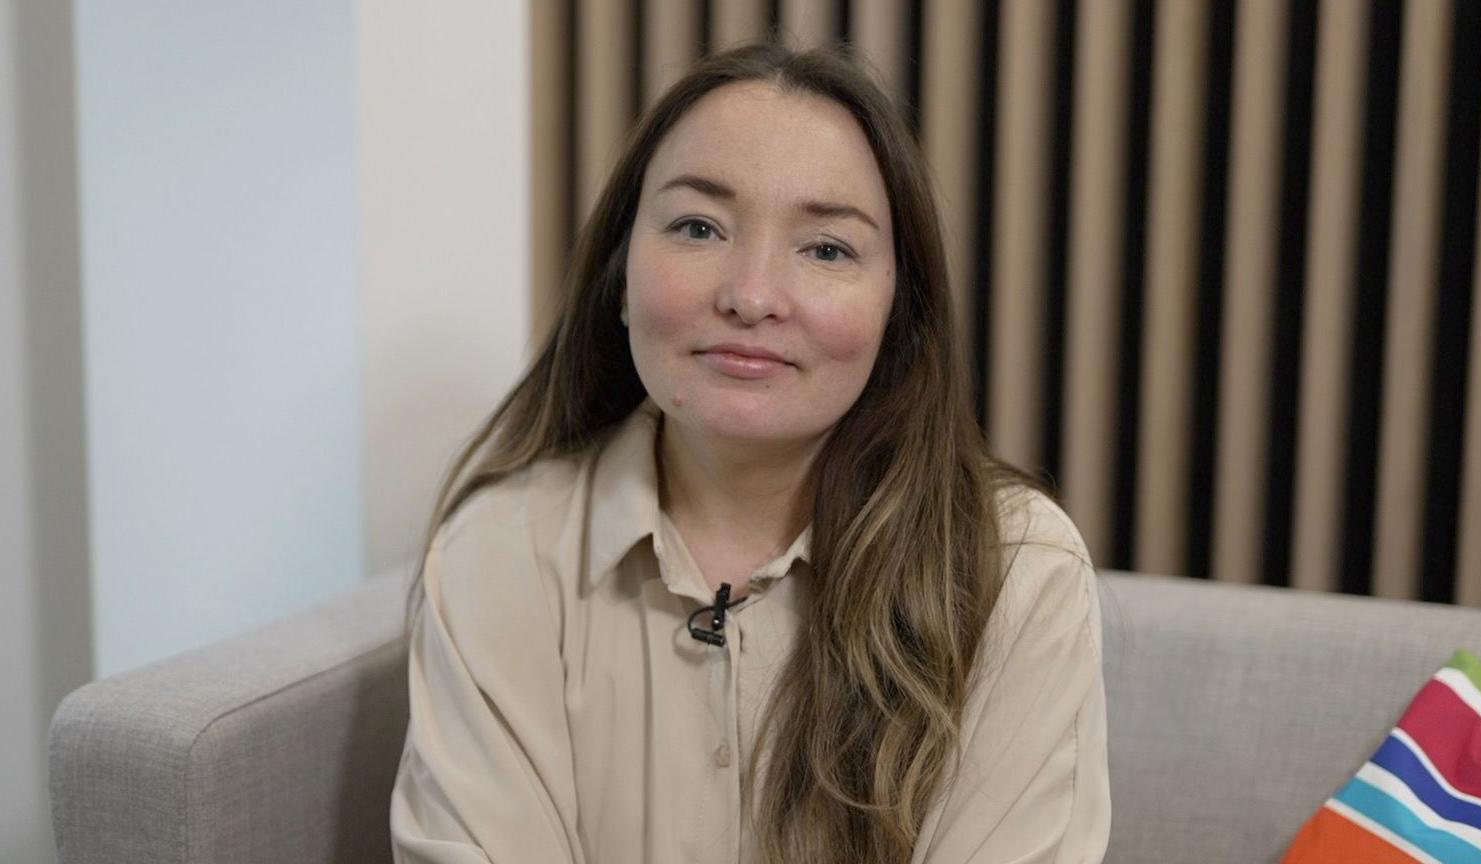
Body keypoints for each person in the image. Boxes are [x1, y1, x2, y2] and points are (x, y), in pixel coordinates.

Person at [389, 42, 1109, 864]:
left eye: (827, 248)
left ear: (897, 314)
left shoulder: (1014, 572)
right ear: (620, 278)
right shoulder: (499, 553)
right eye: (699, 227)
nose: (752, 295)